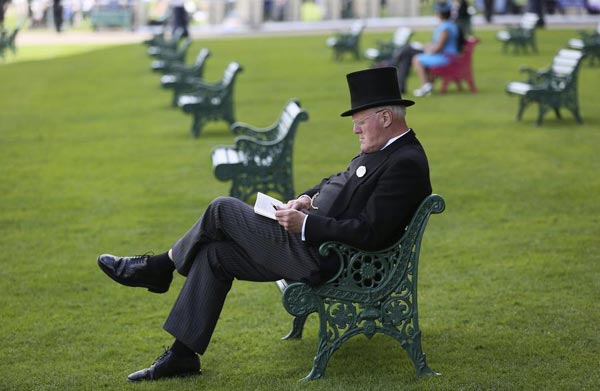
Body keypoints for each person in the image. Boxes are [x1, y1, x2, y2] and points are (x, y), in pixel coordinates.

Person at [97, 66, 432, 382]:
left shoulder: (405, 162)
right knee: (215, 254)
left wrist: (304, 224)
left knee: (223, 209)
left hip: (333, 260)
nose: (355, 129)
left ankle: (159, 267)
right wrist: (306, 199)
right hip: (315, 244)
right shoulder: (382, 147)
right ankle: (182, 355)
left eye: (360, 121)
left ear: (385, 117)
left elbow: (370, 233)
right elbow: (339, 181)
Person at [382, 1, 460, 96]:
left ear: (439, 14)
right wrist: (426, 46)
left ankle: (424, 85)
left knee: (415, 57)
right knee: (408, 53)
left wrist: (427, 50)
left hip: (445, 57)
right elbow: (437, 44)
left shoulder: (445, 28)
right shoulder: (448, 25)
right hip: (442, 54)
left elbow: (439, 47)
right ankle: (399, 81)